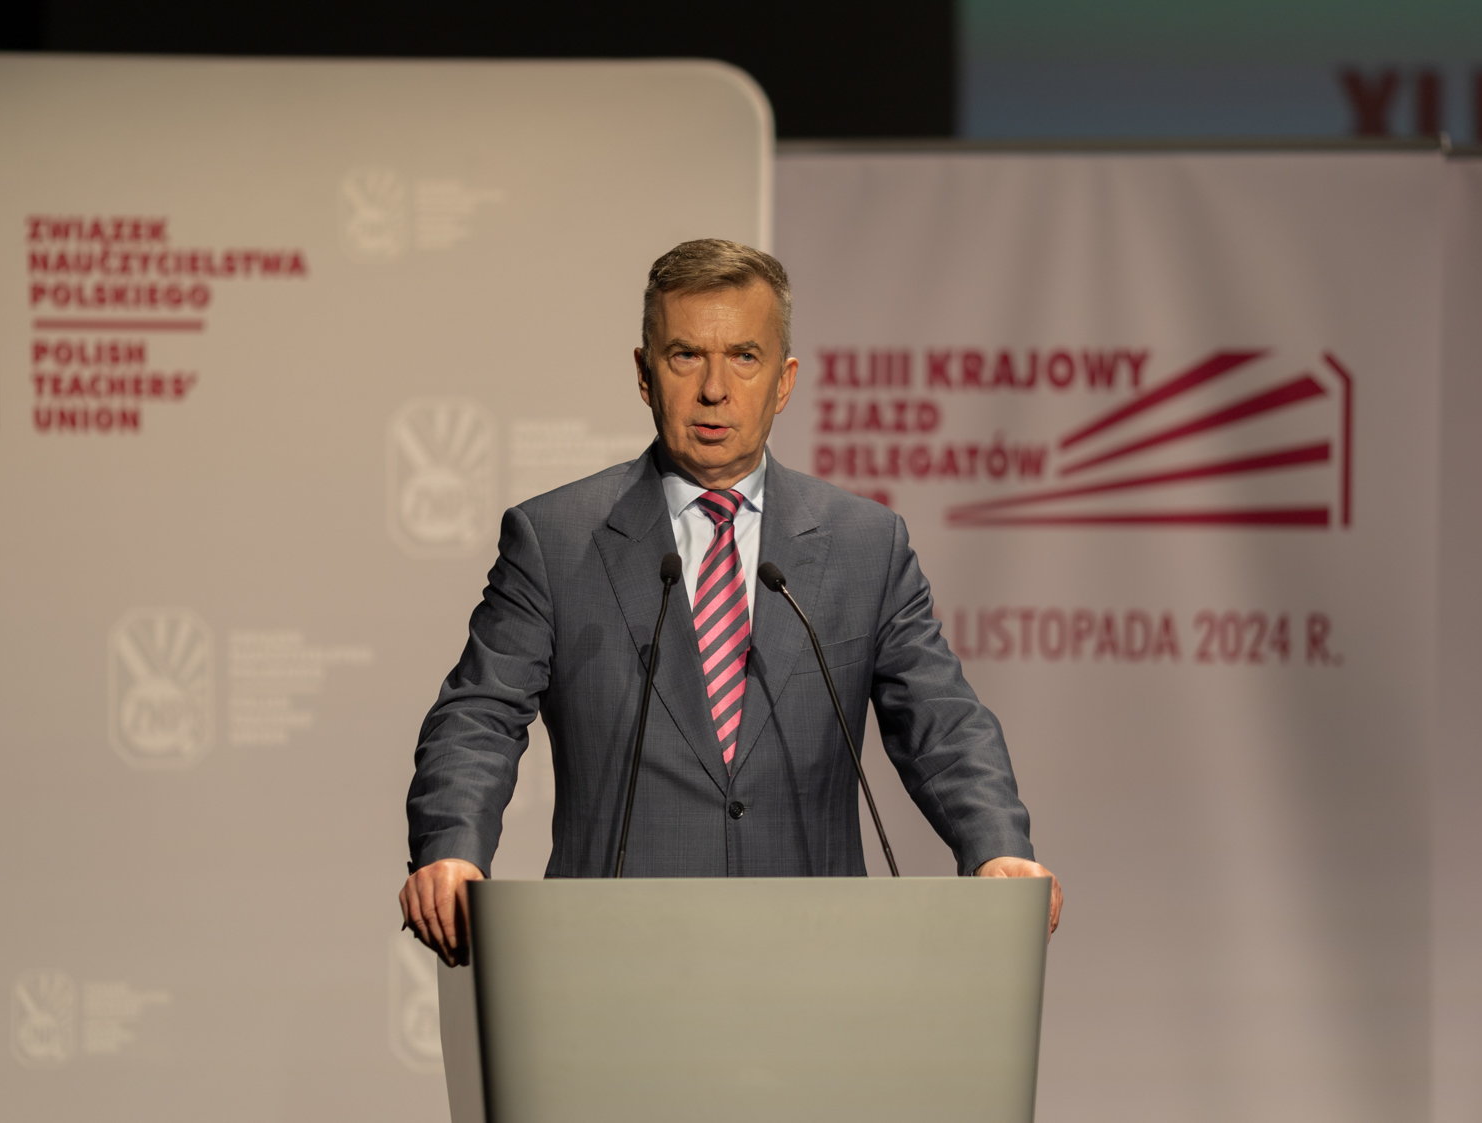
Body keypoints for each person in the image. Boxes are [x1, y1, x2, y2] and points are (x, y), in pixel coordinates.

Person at [401, 239, 1059, 964]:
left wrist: (997, 847)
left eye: (744, 356)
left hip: (816, 959)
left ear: (784, 380)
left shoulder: (866, 544)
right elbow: (479, 715)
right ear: (644, 374)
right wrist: (451, 847)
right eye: (686, 355)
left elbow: (942, 720)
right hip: (614, 961)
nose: (714, 389)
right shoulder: (555, 539)